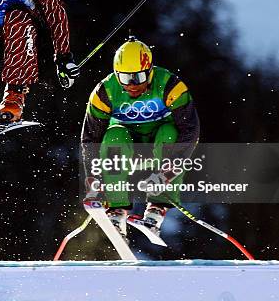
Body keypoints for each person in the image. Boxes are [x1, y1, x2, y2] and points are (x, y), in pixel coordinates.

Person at [81, 36, 200, 236]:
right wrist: (93, 180)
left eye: (139, 77)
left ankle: (157, 207)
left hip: (159, 145)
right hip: (128, 148)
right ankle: (116, 208)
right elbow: (90, 139)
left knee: (170, 132)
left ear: (150, 71)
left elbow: (190, 131)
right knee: (114, 137)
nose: (133, 85)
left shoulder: (170, 85)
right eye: (126, 79)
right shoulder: (104, 92)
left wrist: (167, 173)